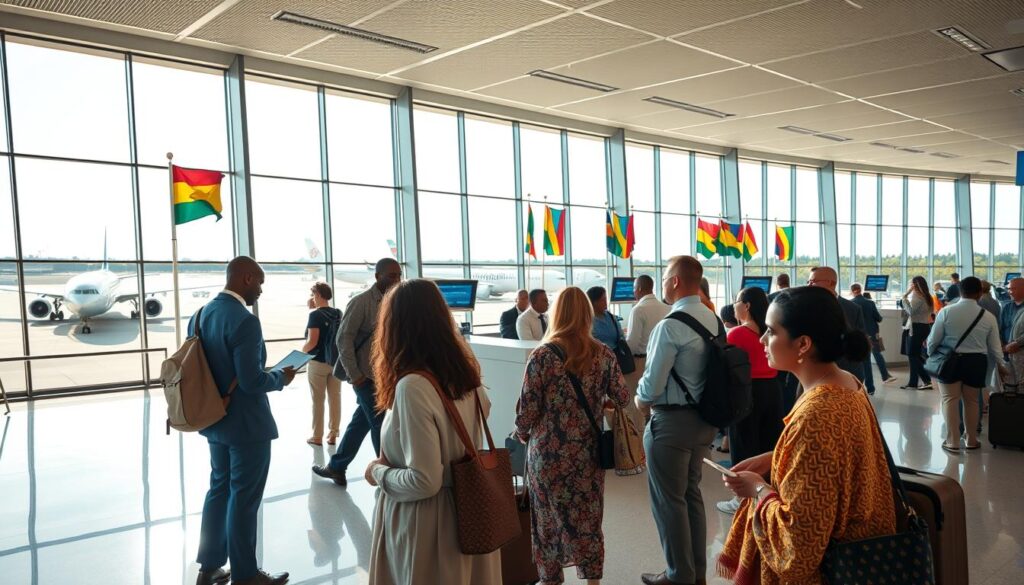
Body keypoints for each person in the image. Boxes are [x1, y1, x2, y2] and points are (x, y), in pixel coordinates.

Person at [717, 286, 896, 585]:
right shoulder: (847, 382)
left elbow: (798, 550)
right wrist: (777, 457)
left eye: (771, 332)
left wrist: (758, 490)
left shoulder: (817, 413)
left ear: (802, 344)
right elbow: (836, 458)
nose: (762, 339)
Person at [363, 279, 501, 584]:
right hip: (472, 517)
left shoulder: (413, 386)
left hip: (431, 530)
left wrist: (378, 473)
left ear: (395, 327)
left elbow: (425, 481)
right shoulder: (468, 377)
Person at [515, 287, 629, 585]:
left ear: (556, 313)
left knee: (547, 521)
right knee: (588, 520)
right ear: (588, 315)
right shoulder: (603, 354)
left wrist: (522, 433)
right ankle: (593, 580)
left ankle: (551, 578)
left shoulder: (541, 356)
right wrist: (598, 398)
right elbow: (623, 396)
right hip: (587, 454)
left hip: (547, 455)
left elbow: (527, 410)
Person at [192, 256, 296, 585]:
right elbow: (251, 382)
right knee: (244, 498)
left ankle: (209, 567)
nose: (261, 290)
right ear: (247, 278)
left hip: (213, 419)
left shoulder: (199, 315)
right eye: (261, 282)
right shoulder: (244, 320)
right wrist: (281, 377)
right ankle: (246, 574)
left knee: (218, 490)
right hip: (247, 426)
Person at [636, 256, 720, 585]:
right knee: (691, 495)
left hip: (671, 423)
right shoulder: (713, 320)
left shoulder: (670, 326)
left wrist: (640, 403)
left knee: (669, 501)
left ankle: (678, 575)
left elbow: (652, 386)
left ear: (674, 282)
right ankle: (695, 573)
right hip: (704, 422)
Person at [313, 258, 402, 487]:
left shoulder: (396, 302)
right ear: (377, 276)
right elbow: (344, 339)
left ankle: (336, 466)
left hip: (385, 376)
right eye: (391, 275)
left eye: (399, 274)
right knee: (379, 424)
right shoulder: (361, 302)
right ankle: (386, 477)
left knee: (361, 421)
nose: (396, 279)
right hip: (365, 376)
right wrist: (355, 376)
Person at [717, 286, 783, 516]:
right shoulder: (771, 331)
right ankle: (766, 492)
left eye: (736, 301)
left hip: (745, 392)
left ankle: (741, 499)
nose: (734, 305)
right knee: (768, 443)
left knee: (743, 443)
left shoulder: (735, 334)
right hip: (772, 391)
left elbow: (725, 368)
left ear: (746, 306)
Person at [927, 277, 1006, 453]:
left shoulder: (946, 312)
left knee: (949, 400)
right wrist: (1003, 365)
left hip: (950, 361)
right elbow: (995, 347)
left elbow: (933, 340)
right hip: (977, 362)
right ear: (979, 293)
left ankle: (953, 441)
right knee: (971, 401)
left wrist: (931, 355)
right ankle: (971, 439)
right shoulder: (988, 316)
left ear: (960, 291)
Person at [624, 275, 671, 437]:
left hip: (640, 362)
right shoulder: (667, 308)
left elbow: (633, 343)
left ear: (638, 289)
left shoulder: (638, 310)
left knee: (636, 403)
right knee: (657, 400)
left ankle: (639, 440)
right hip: (662, 360)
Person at [807, 267, 866, 380]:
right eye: (808, 281)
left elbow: (859, 345)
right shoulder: (804, 307)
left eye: (813, 281)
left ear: (830, 282)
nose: (809, 285)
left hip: (846, 374)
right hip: (812, 375)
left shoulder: (853, 309)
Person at [302, 282, 342, 446]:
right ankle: (333, 434)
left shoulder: (315, 316)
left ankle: (317, 436)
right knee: (335, 398)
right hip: (335, 362)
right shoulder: (338, 312)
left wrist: (301, 352)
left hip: (318, 363)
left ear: (318, 295)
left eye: (313, 295)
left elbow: (312, 342)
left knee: (318, 400)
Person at [850, 282, 896, 393]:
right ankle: (873, 386)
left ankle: (863, 387)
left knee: (865, 361)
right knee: (877, 353)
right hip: (872, 334)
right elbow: (879, 318)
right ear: (860, 290)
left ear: (852, 291)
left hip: (859, 335)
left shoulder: (851, 304)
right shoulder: (870, 303)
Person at [901, 276, 934, 390]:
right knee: (916, 355)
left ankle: (922, 380)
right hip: (925, 327)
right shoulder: (927, 296)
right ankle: (917, 381)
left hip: (916, 327)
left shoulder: (917, 296)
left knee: (912, 355)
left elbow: (911, 312)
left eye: (911, 284)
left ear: (915, 285)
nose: (910, 286)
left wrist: (904, 298)